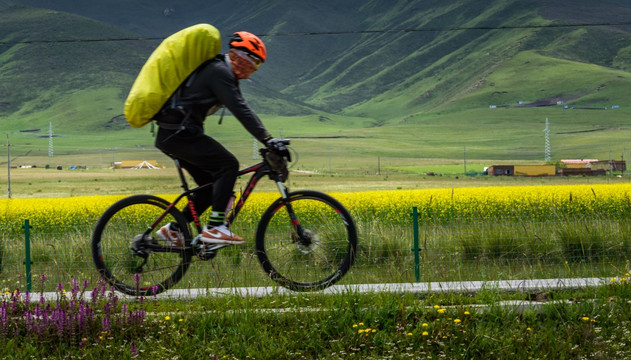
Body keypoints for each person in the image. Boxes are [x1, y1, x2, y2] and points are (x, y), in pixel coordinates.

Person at [153, 31, 286, 246]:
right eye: (253, 63)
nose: (252, 70)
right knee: (228, 164)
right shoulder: (219, 72)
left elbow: (244, 108)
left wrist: (268, 139)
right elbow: (241, 110)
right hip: (180, 133)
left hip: (174, 135)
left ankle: (175, 229)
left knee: (209, 186)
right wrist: (268, 139)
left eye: (257, 67)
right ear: (239, 56)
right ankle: (215, 228)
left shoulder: (224, 74)